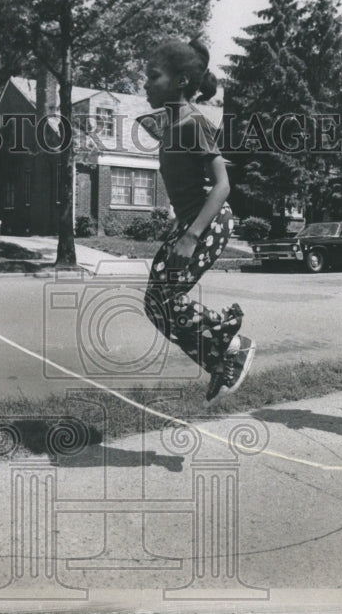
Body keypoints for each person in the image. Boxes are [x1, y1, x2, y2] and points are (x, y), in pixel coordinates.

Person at [139, 38, 255, 407]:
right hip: (187, 223)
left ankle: (233, 345)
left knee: (167, 298)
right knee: (155, 304)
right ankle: (221, 362)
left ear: (181, 81)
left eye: (153, 76)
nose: (145, 84)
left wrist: (190, 236)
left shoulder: (194, 124)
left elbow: (223, 185)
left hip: (207, 223)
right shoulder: (172, 124)